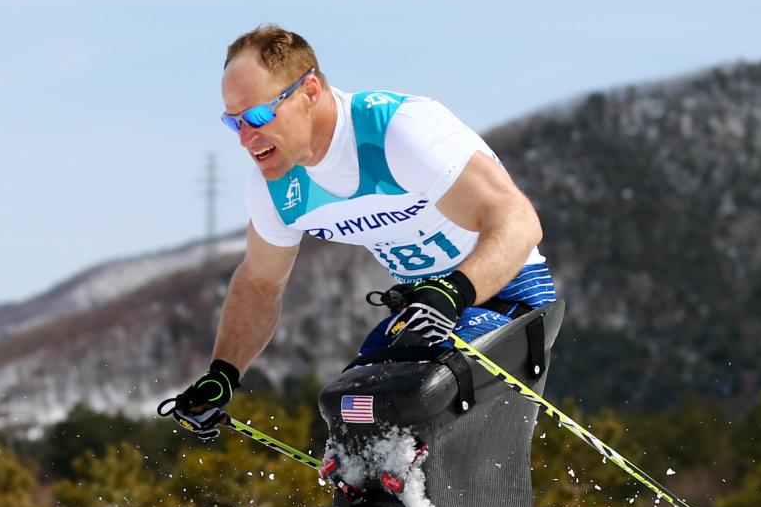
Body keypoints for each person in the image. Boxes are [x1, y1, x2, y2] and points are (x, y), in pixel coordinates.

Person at [173, 25, 555, 439]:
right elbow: (260, 283)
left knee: (406, 406)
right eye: (234, 123)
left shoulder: (398, 131)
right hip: (425, 309)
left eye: (259, 116)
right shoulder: (275, 186)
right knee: (351, 410)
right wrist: (223, 373)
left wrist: (455, 290)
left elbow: (518, 220)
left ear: (310, 92)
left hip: (506, 295)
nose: (246, 139)